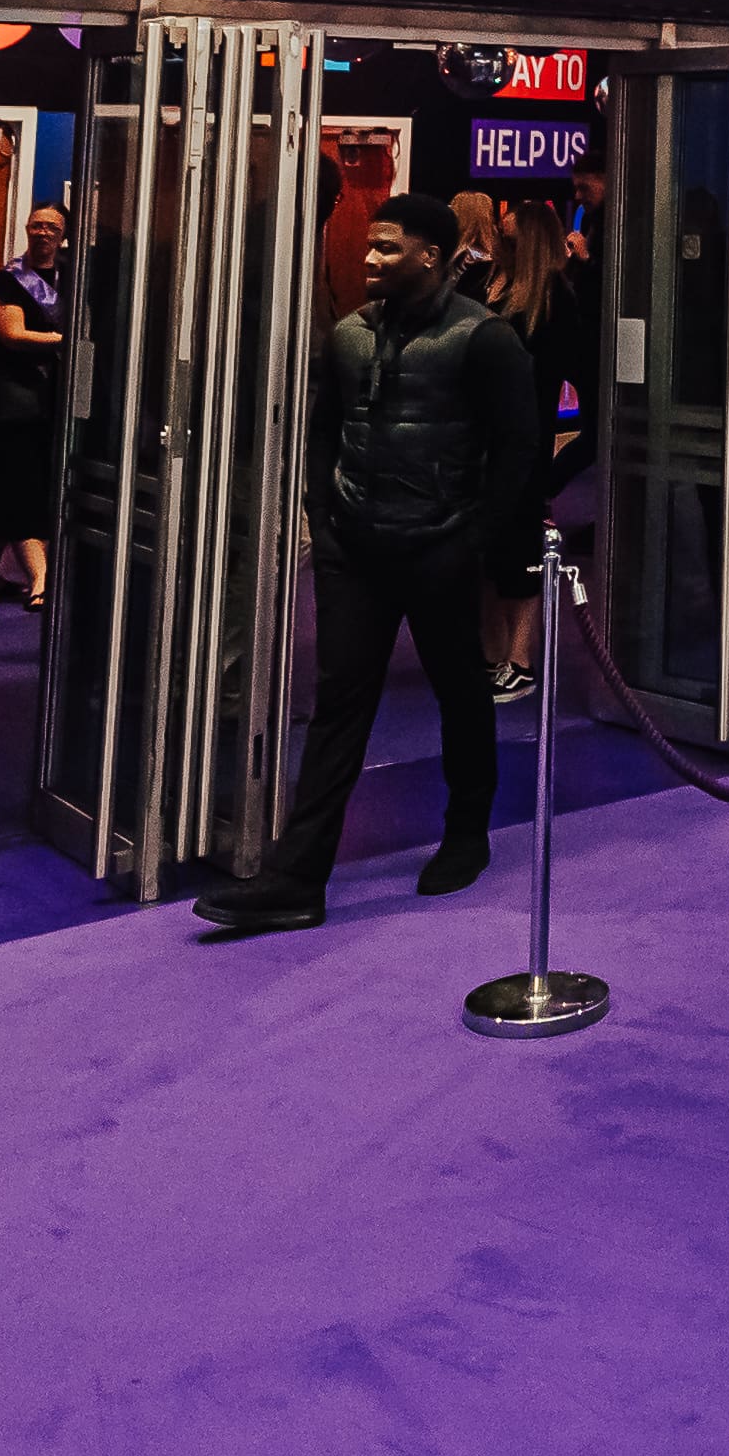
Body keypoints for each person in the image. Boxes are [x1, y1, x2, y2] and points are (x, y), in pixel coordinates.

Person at [202, 192, 549, 933]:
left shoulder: (483, 339)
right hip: (355, 547)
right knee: (338, 709)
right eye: (369, 245)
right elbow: (324, 429)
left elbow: (519, 450)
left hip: (440, 546)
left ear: (431, 254)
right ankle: (296, 878)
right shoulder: (351, 335)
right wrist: (326, 521)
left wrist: (473, 542)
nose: (369, 257)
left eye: (387, 247)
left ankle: (466, 834)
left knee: (460, 693)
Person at [477, 186, 604, 707]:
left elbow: (575, 370)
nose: (499, 233)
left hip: (523, 438)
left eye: (509, 231)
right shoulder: (493, 284)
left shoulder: (552, 297)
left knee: (518, 553)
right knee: (485, 554)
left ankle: (520, 660)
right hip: (486, 436)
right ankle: (490, 656)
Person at [0, 201, 70, 614]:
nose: (43, 232)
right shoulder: (9, 280)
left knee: (10, 484)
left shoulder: (74, 277)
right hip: (9, 395)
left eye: (51, 226)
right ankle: (41, 578)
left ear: (63, 235)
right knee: (17, 482)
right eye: (37, 225)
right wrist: (70, 342)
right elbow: (12, 333)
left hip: (46, 394)